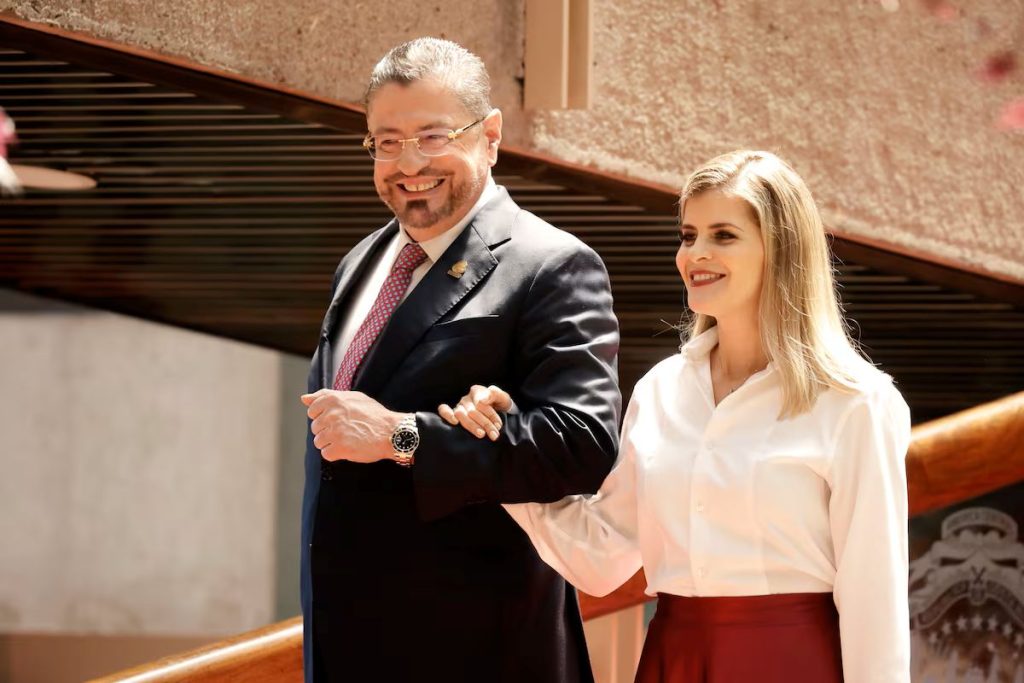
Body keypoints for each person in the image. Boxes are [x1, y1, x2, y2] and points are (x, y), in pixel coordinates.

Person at [441, 150, 912, 682]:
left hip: (795, 664)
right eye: (689, 235)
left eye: (723, 235)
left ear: (782, 251)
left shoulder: (856, 401)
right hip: (674, 659)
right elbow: (601, 556)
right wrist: (500, 444)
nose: (695, 254)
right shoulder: (661, 389)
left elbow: (876, 600)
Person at [298, 38, 621, 683]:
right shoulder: (360, 262)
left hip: (480, 651)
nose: (407, 163)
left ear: (491, 134)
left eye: (432, 136)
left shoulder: (552, 265)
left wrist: (405, 436)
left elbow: (583, 441)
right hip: (345, 646)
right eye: (385, 142)